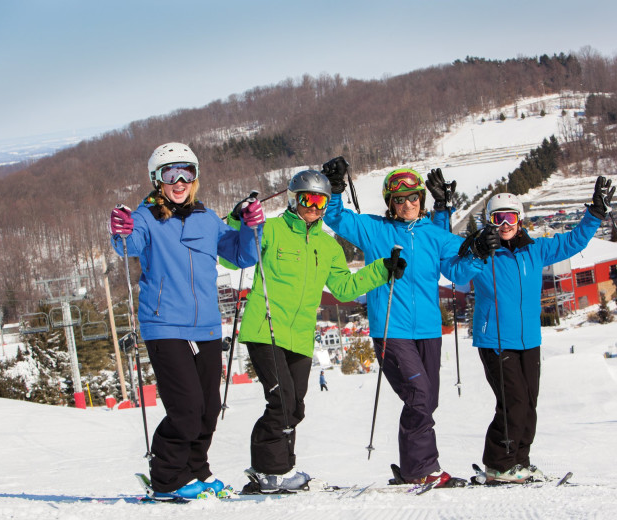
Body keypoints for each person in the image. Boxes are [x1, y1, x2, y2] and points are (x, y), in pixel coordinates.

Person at [227, 169, 406, 492]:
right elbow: (233, 256)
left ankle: (283, 467)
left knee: (295, 405)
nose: (313, 206)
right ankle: (269, 469)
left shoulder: (327, 245)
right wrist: (239, 219)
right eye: (306, 198)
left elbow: (343, 288)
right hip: (264, 329)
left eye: (320, 200)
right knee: (281, 401)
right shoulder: (271, 230)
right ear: (294, 199)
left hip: (300, 335)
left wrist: (382, 270)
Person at [108, 142, 265, 499]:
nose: (179, 182)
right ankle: (167, 479)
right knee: (186, 407)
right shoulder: (146, 218)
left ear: (195, 177)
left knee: (208, 409)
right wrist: (120, 229)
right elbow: (128, 245)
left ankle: (196, 470)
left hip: (207, 325)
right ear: (157, 180)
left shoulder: (208, 219)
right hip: (164, 325)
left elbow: (242, 256)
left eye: (186, 173)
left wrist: (249, 226)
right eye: (170, 174)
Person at [321, 157, 473, 488]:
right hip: (392, 328)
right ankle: (423, 469)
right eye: (399, 199)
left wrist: (479, 249)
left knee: (427, 400)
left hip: (430, 330)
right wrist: (334, 189)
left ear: (422, 198)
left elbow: (459, 270)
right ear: (391, 203)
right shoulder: (377, 230)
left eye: (414, 197)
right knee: (419, 394)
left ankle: (413, 467)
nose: (407, 204)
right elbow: (336, 217)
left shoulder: (434, 233)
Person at [456, 177, 615, 483]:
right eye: (497, 218)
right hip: (495, 339)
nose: (504, 224)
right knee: (513, 401)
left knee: (529, 402)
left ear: (520, 219)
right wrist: (475, 252)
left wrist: (594, 214)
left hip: (529, 339)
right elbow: (458, 275)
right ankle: (498, 463)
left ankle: (520, 460)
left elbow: (573, 242)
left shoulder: (536, 250)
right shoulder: (481, 254)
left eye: (510, 217)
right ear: (490, 222)